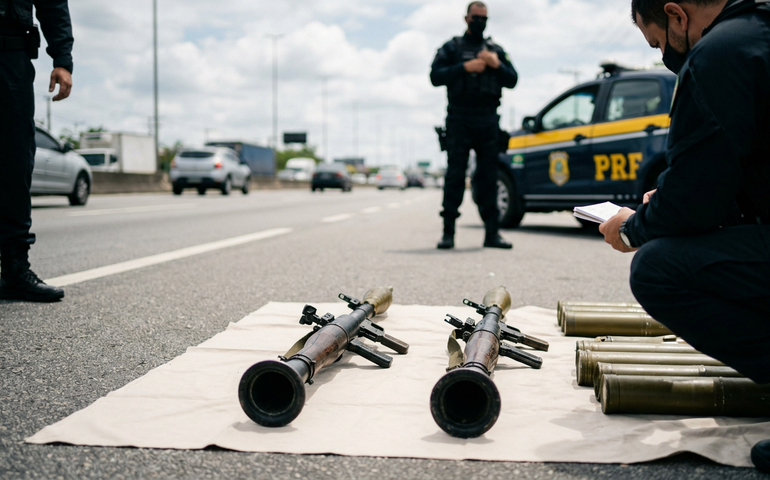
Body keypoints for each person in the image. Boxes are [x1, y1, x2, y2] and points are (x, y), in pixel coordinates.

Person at [599, 0, 770, 472]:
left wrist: (631, 227)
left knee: (657, 270)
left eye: (658, 44)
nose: (664, 57)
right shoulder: (759, 33)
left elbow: (695, 198)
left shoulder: (719, 54)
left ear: (676, 15)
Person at [430, 1, 517, 250]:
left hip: (488, 120)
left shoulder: (495, 50)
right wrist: (464, 67)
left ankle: (492, 234)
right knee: (455, 176)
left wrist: (496, 65)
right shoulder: (452, 47)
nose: (480, 22)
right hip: (459, 118)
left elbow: (513, 79)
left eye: (483, 18)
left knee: (489, 178)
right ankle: (448, 233)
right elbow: (435, 76)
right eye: (475, 17)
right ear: (466, 18)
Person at [0, 0, 72, 302]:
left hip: (10, 55)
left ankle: (15, 270)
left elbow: (53, 3)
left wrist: (62, 59)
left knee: (15, 162)